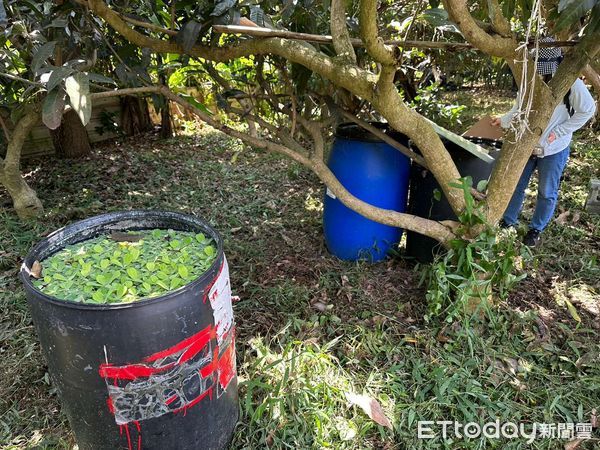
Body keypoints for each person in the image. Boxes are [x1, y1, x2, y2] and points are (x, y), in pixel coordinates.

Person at [491, 39, 596, 247]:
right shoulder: (530, 80)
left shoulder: (570, 83)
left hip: (554, 148)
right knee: (517, 185)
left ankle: (535, 230)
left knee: (546, 191)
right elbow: (520, 108)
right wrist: (503, 120)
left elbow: (588, 109)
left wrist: (558, 132)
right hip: (527, 144)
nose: (542, 73)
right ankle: (508, 222)